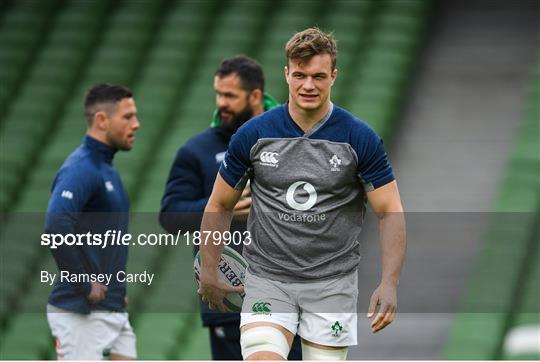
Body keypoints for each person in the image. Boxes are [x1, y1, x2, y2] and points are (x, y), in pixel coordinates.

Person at [198, 28, 406, 360]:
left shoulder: (359, 138)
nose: (308, 85)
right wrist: (209, 271)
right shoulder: (253, 134)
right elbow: (220, 203)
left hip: (332, 285)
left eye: (318, 76)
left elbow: (389, 211)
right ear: (287, 74)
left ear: (333, 76)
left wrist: (389, 283)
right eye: (300, 75)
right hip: (267, 280)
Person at [160, 55, 302, 360]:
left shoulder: (292, 138)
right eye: (218, 94)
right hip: (229, 301)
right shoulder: (196, 151)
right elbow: (170, 216)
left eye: (230, 96)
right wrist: (219, 209)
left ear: (255, 96)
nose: (220, 103)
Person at [45, 84, 140, 360]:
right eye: (127, 116)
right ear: (101, 120)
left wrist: (115, 290)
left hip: (109, 308)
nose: (137, 124)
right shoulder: (81, 168)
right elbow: (55, 225)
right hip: (80, 314)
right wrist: (84, 285)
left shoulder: (105, 168)